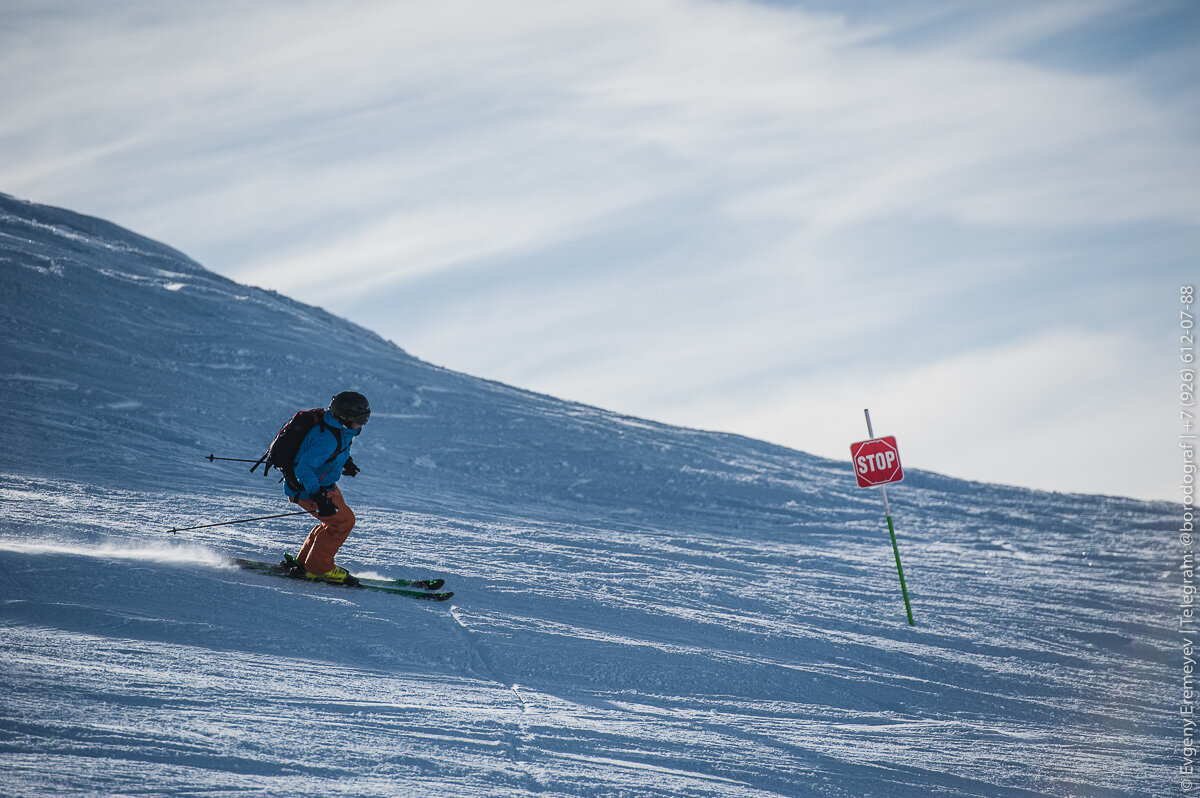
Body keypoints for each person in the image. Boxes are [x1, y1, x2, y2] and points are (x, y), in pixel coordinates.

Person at [287, 391, 370, 582]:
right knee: (342, 523)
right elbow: (304, 469)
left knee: (336, 522)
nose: (363, 424)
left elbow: (335, 450)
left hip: (326, 486)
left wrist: (345, 462)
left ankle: (305, 563)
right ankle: (318, 568)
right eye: (360, 419)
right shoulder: (327, 438)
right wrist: (317, 496)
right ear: (345, 418)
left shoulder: (339, 429)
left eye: (366, 418)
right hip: (311, 489)